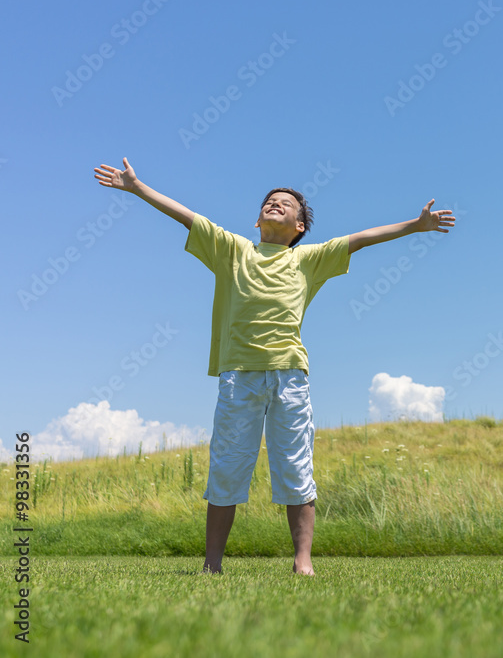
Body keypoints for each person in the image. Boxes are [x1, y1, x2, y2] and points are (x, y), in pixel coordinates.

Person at [93, 157, 456, 575]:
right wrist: (138, 188)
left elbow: (360, 239)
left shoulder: (309, 260)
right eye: (269, 201)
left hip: (290, 376)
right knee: (227, 468)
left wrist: (416, 225)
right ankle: (212, 564)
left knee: (295, 466)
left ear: (300, 227)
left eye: (286, 203)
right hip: (238, 376)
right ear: (257, 220)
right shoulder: (233, 249)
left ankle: (302, 561)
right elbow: (188, 217)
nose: (275, 204)